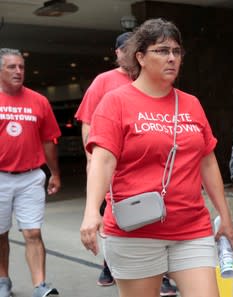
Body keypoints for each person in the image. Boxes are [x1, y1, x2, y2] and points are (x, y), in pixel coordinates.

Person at [79, 18, 233, 297]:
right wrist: (92, 211)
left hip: (191, 227)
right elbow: (103, 161)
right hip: (135, 230)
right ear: (140, 56)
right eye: (162, 51)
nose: (172, 58)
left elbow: (207, 162)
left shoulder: (191, 103)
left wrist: (224, 215)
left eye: (177, 51)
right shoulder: (116, 102)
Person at [75, 31, 178, 295]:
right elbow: (88, 121)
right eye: (124, 48)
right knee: (122, 217)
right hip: (114, 168)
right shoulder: (104, 81)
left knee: (156, 216)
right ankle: (111, 265)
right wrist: (92, 157)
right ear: (119, 53)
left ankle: (161, 275)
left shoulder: (153, 78)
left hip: (155, 169)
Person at [0, 48, 61, 297]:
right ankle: (3, 280)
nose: (18, 71)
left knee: (33, 232)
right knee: (0, 233)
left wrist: (55, 173)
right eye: (12, 67)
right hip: (0, 176)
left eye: (21, 67)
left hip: (31, 176)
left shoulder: (39, 101)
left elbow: (48, 140)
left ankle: (40, 286)